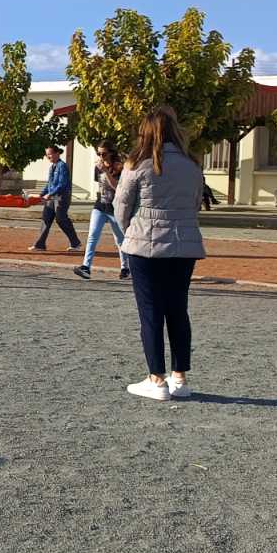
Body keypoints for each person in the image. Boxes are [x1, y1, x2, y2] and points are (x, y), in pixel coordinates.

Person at [114, 105, 206, 402]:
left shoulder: (137, 164)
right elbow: (194, 203)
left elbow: (121, 206)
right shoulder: (192, 165)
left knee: (150, 312)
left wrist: (131, 230)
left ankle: (156, 379)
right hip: (185, 244)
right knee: (178, 309)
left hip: (145, 245)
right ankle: (180, 377)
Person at [73, 145, 129, 281]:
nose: (101, 157)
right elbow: (100, 186)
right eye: (99, 154)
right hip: (100, 206)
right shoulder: (97, 167)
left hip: (114, 208)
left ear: (111, 153)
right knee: (92, 236)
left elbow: (117, 187)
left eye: (104, 154)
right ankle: (86, 267)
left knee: (120, 239)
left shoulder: (119, 167)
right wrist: (101, 169)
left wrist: (106, 171)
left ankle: (125, 268)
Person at [30, 144, 80, 252]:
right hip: (52, 197)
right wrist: (42, 194)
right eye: (47, 155)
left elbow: (62, 184)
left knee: (61, 219)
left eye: (50, 154)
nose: (48, 157)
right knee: (46, 218)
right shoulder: (52, 167)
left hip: (61, 197)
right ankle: (40, 245)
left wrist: (50, 194)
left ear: (57, 153)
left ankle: (75, 243)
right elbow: (49, 184)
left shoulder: (62, 166)